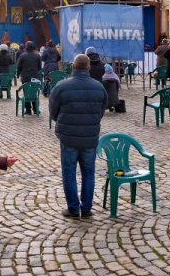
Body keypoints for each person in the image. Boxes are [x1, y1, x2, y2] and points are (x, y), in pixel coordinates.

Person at [49, 54, 107, 219]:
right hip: (89, 137)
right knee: (89, 173)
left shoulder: (61, 86)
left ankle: (74, 209)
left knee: (69, 173)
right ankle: (86, 208)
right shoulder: (99, 87)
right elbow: (101, 110)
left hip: (68, 138)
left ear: (73, 67)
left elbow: (53, 112)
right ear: (88, 67)